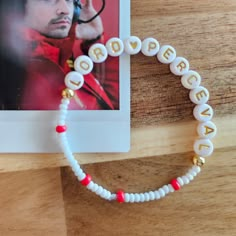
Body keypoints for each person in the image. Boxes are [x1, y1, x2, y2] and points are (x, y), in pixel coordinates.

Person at [0, 0, 119, 110]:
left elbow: (117, 106)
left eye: (69, 0)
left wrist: (96, 44)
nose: (65, 10)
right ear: (19, 7)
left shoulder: (66, 59)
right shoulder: (14, 70)